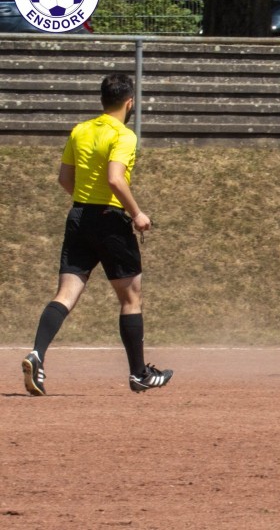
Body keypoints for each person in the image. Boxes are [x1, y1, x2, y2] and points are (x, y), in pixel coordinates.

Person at [21, 73, 173, 396]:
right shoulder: (125, 135)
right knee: (131, 297)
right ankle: (139, 374)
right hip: (111, 219)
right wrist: (137, 214)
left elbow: (64, 178)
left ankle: (37, 354)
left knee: (65, 294)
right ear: (129, 102)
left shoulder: (80, 130)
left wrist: (88, 203)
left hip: (79, 215)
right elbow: (116, 179)